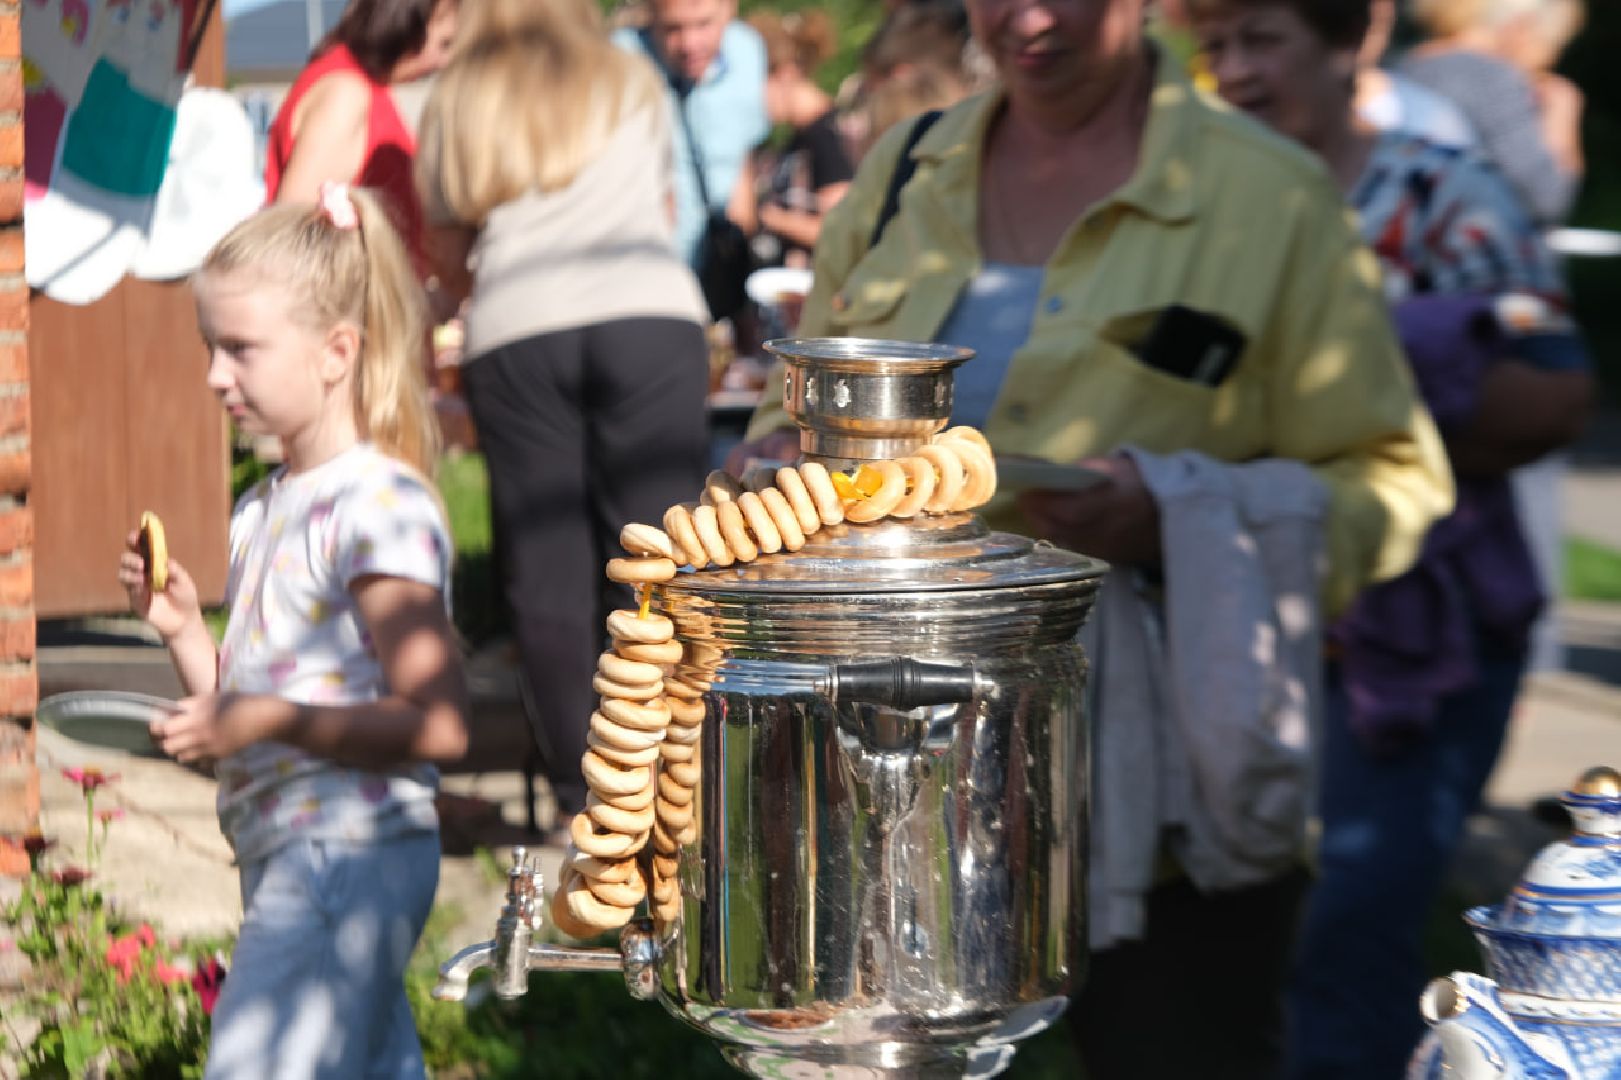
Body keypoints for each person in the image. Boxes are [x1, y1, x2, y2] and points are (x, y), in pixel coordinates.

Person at [734, 0, 1454, 1073]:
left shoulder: (1268, 194)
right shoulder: (903, 170)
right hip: (872, 767)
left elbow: (1392, 480)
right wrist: (773, 468)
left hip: (1160, 795)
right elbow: (788, 409)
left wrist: (1176, 516)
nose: (1028, 17)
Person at [1189, 0, 1596, 1075]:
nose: (1234, 71)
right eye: (1213, 46)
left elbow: (1555, 396)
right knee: (1223, 946)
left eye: (1262, 39)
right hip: (1238, 627)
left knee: (1347, 935)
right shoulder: (1190, 202)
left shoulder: (1438, 194)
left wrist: (1349, 389)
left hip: (1414, 637)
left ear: (1352, 40)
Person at [119, 185, 470, 1078]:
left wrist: (263, 719)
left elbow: (437, 723)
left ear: (335, 353)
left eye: (240, 349)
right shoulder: (262, 508)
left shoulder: (376, 505)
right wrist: (182, 633)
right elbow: (242, 712)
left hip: (349, 849)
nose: (215, 375)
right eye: (210, 347)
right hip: (292, 848)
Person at [416, 0, 710, 831]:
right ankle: (673, 781)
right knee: (657, 559)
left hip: (519, 324)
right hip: (649, 311)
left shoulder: (459, 92)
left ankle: (582, 802)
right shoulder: (627, 75)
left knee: (545, 576)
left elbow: (447, 249)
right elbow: (662, 210)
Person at [264, 0, 460, 272]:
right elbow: (294, 240)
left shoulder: (362, 84)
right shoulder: (346, 94)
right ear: (404, 24)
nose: (445, 61)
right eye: (444, 44)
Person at [613, 0, 769, 280]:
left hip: (717, 260)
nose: (689, 44)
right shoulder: (621, 60)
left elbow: (744, 152)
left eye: (703, 24)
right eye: (672, 28)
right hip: (645, 264)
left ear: (729, 8)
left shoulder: (747, 50)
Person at [1401, 0, 1586, 226]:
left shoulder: (1408, 64)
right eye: (1551, 41)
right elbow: (1546, 198)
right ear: (1522, 24)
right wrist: (1561, 115)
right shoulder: (1489, 77)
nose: (1550, 58)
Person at [748, 9, 854, 269]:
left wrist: (766, 215)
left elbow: (838, 231)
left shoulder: (828, 136)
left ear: (784, 74)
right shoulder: (801, 136)